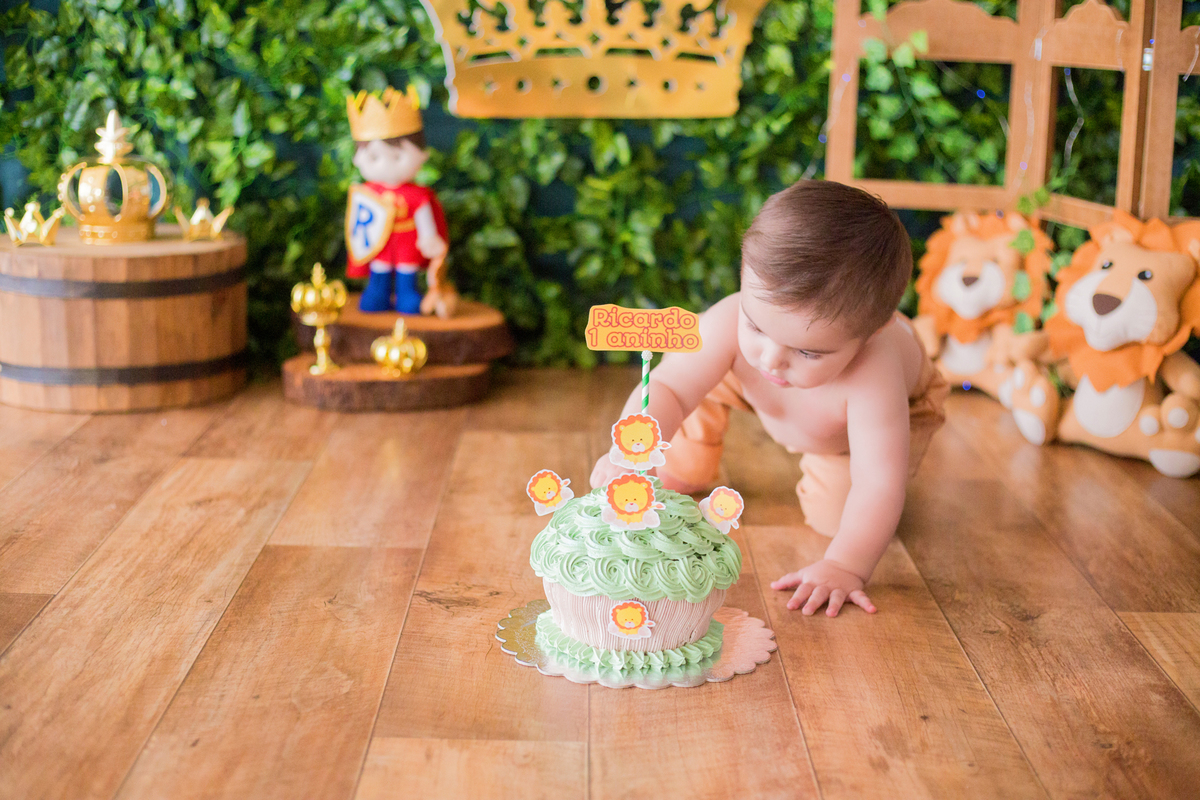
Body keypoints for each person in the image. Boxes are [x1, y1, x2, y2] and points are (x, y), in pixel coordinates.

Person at [590, 180, 949, 617]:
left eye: (808, 351)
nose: (772, 359)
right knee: (693, 376)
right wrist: (631, 454)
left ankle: (835, 498)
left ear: (872, 333)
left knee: (838, 520)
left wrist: (845, 564)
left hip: (846, 434)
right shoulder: (731, 322)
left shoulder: (877, 374)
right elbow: (665, 387)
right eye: (756, 326)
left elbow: (878, 482)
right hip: (748, 388)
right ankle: (682, 460)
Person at [345, 86, 448, 313]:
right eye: (373, 157)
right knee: (379, 267)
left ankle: (408, 296)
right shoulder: (366, 193)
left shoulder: (418, 195)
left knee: (406, 270)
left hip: (408, 241)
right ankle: (377, 292)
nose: (384, 165)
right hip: (380, 244)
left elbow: (425, 220)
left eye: (396, 156)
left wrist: (429, 238)